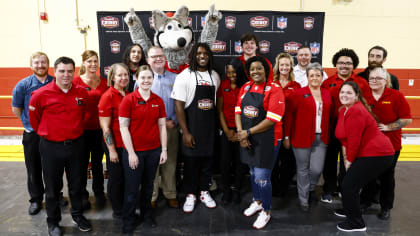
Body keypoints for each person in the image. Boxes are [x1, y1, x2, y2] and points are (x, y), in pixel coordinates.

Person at [29, 57, 92, 236]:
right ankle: (53, 221)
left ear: (74, 72)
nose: (66, 75)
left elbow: (85, 114)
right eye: (62, 71)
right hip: (51, 147)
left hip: (76, 146)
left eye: (70, 71)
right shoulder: (40, 94)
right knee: (52, 188)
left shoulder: (82, 93)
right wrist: (50, 132)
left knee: (77, 185)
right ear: (54, 72)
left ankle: (78, 215)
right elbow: (35, 121)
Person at [333, 81, 394, 232]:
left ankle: (356, 223)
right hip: (368, 152)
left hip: (378, 153)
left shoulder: (356, 111)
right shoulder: (343, 111)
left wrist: (349, 160)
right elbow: (344, 139)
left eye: (349, 93)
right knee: (347, 183)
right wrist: (347, 157)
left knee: (349, 185)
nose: (344, 95)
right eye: (342, 92)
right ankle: (350, 209)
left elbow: (354, 140)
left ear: (356, 96)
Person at [235, 56, 285, 229]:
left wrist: (246, 133)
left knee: (263, 177)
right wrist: (242, 134)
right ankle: (257, 202)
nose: (255, 71)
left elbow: (272, 119)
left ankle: (266, 211)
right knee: (253, 172)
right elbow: (238, 111)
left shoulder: (275, 89)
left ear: (267, 70)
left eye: (259, 68)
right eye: (252, 69)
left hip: (268, 139)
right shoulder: (245, 87)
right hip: (248, 137)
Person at [171, 43, 220, 213]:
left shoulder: (214, 76)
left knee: (208, 162)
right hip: (192, 127)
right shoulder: (184, 76)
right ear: (193, 56)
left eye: (206, 53)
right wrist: (185, 132)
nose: (202, 56)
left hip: (209, 128)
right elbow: (178, 105)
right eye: (199, 53)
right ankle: (190, 194)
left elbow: (214, 103)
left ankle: (204, 192)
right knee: (191, 164)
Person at [119, 65, 168, 233]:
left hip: (153, 152)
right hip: (134, 153)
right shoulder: (128, 100)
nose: (146, 81)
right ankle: (128, 219)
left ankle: (147, 215)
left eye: (149, 78)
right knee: (132, 189)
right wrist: (131, 153)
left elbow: (162, 126)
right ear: (136, 79)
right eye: (143, 78)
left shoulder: (158, 100)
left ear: (153, 80)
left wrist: (164, 150)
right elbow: (123, 128)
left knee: (148, 187)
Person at [360, 67, 412, 220]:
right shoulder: (363, 96)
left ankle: (386, 206)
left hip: (391, 145)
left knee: (387, 177)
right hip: (368, 145)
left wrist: (389, 127)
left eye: (378, 78)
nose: (374, 81)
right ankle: (365, 202)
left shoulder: (396, 96)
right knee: (367, 175)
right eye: (372, 78)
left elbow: (407, 118)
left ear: (386, 81)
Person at [320, 48, 371, 203]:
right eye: (341, 62)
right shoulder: (327, 82)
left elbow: (367, 105)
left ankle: (344, 187)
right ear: (336, 64)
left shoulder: (361, 83)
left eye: (348, 63)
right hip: (332, 124)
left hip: (353, 126)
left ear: (353, 65)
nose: (344, 65)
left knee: (347, 158)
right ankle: (329, 188)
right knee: (329, 158)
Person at [283, 62, 332, 211]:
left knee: (316, 169)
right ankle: (303, 199)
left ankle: (310, 189)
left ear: (322, 76)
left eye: (318, 75)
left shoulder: (326, 93)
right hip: (300, 137)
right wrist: (286, 136)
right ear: (307, 77)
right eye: (312, 75)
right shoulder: (298, 93)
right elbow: (289, 117)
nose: (315, 78)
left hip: (321, 138)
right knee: (302, 169)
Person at [11, 52, 53, 215]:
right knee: (33, 168)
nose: (40, 65)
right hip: (32, 134)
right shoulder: (23, 85)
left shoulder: (55, 83)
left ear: (48, 64)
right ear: (31, 65)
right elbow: (17, 109)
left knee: (51, 168)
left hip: (52, 134)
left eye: (43, 62)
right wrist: (30, 124)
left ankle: (54, 196)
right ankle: (36, 200)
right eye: (36, 63)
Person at [73, 50, 108, 209]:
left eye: (95, 61)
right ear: (84, 63)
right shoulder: (76, 82)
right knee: (81, 164)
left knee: (98, 164)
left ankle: (99, 192)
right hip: (82, 131)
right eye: (89, 61)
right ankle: (82, 195)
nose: (93, 64)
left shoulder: (104, 82)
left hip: (100, 130)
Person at [147, 46, 180, 208]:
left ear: (165, 57)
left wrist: (174, 122)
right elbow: (139, 108)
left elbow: (181, 104)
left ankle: (170, 193)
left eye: (160, 56)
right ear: (148, 60)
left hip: (171, 128)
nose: (158, 59)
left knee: (170, 162)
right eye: (154, 57)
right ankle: (152, 196)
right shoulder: (143, 79)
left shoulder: (176, 78)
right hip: (151, 130)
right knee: (152, 163)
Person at [98, 63, 130, 219]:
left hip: (127, 145)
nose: (123, 78)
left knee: (126, 177)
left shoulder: (129, 94)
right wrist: (111, 150)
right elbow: (105, 128)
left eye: (126, 75)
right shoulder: (108, 96)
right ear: (112, 77)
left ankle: (125, 205)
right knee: (116, 178)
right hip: (115, 145)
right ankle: (118, 210)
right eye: (120, 75)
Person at [271, 52, 301, 197]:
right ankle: (273, 186)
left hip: (290, 127)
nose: (284, 67)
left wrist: (289, 134)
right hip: (272, 127)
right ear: (278, 66)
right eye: (281, 64)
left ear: (291, 67)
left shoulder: (296, 86)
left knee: (288, 160)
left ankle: (283, 187)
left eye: (287, 65)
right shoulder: (271, 83)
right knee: (273, 160)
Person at [217, 62, 247, 205]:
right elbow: (220, 109)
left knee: (240, 163)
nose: (231, 75)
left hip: (242, 131)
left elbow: (248, 111)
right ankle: (226, 190)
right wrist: (227, 131)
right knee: (224, 162)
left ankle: (237, 190)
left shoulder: (246, 87)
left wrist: (241, 132)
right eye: (228, 73)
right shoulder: (223, 85)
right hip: (227, 130)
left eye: (234, 72)